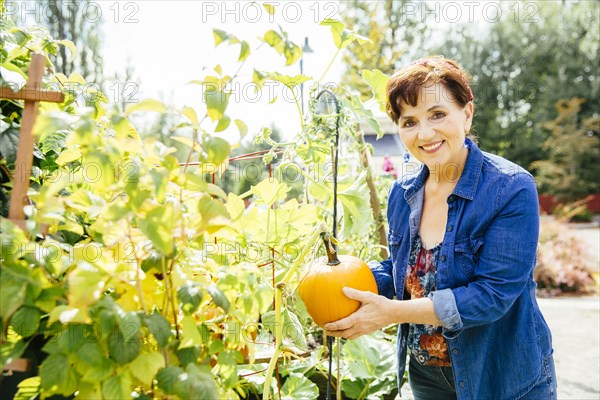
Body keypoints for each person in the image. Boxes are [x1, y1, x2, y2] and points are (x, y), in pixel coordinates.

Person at [324, 56, 556, 400]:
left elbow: (491, 296)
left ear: (467, 113)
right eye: (409, 121)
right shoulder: (402, 193)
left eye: (438, 114)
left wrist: (391, 315)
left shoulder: (510, 188)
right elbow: (403, 271)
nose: (425, 133)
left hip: (501, 375)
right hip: (427, 375)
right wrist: (340, 284)